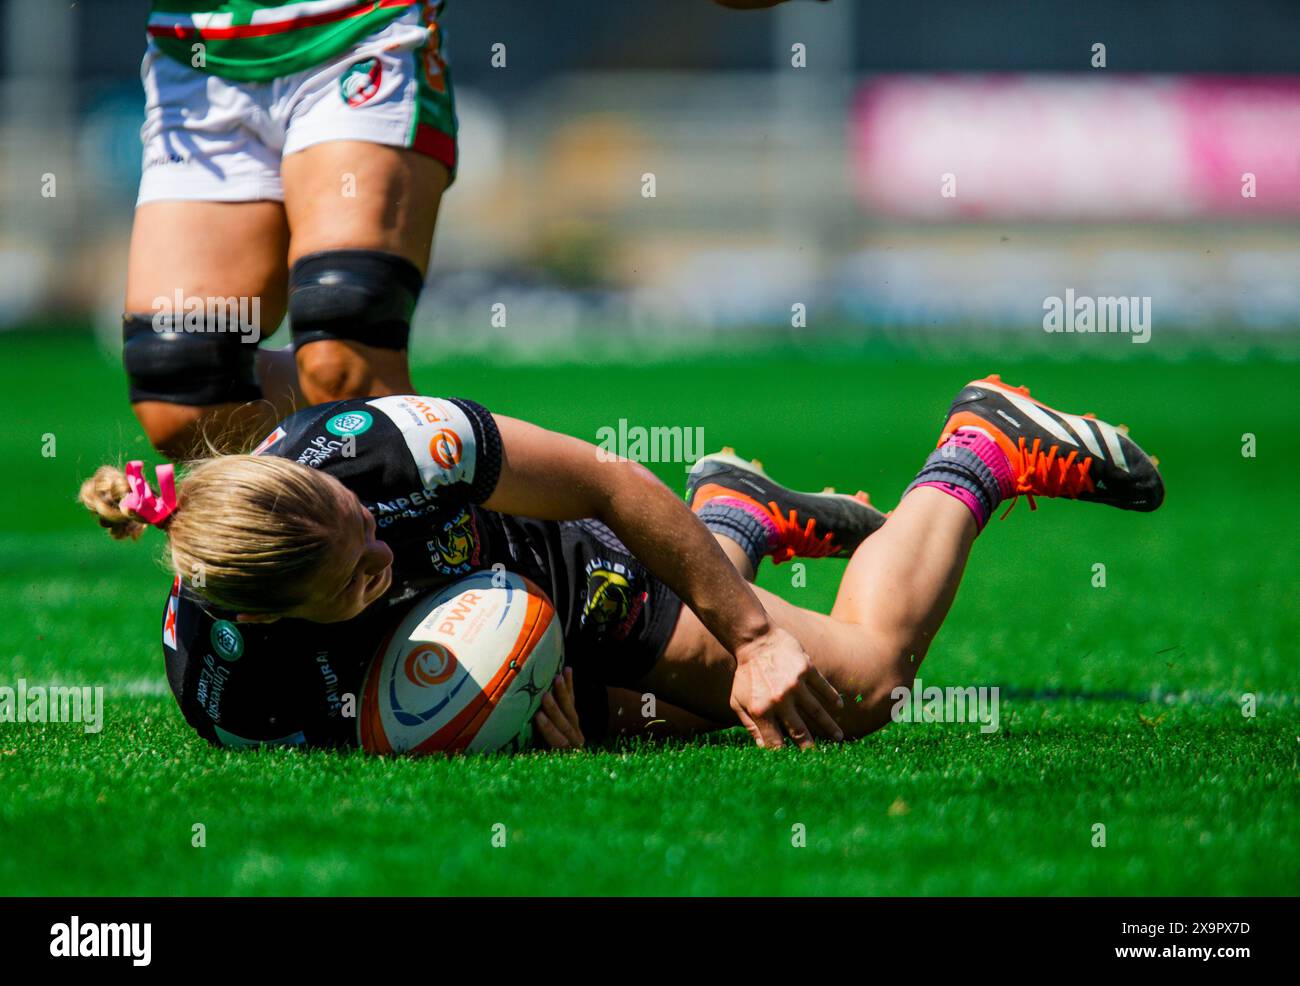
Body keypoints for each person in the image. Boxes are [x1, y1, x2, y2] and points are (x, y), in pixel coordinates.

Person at [79, 375, 1163, 751]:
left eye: (361, 518)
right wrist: (506, 696)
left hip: (561, 559)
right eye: (360, 571)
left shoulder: (382, 445)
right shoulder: (235, 696)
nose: (375, 536)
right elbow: (386, 727)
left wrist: (752, 634)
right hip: (515, 627)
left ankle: (981, 442)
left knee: (855, 685)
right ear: (273, 619)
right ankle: (734, 512)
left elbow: (604, 480)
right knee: (665, 725)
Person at [124, 0, 825, 461]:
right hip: (199, 60)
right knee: (187, 398)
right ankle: (512, 499)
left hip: (357, 32)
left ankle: (421, 588)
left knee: (342, 361)